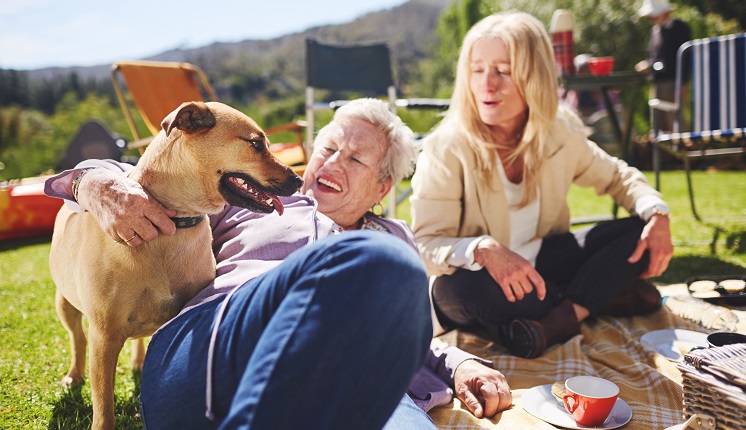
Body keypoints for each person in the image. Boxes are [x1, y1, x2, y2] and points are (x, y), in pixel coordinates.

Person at [44, 98, 510, 428]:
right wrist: (90, 182)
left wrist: (459, 365)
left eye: (355, 159)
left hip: (344, 378)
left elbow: (412, 340)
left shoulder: (392, 238)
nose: (331, 164)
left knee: (387, 266)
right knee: (385, 262)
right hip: (212, 354)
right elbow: (162, 168)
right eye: (327, 149)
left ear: (383, 188)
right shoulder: (240, 197)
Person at [410, 12, 674, 360]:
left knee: (640, 230)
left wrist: (657, 213)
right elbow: (425, 245)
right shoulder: (446, 148)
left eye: (503, 71)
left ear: (533, 76)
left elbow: (617, 177)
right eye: (477, 70)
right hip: (477, 280)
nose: (487, 84)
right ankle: (599, 294)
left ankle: (564, 317)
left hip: (540, 262)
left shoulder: (559, 131)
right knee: (466, 289)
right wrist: (482, 248)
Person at [634, 0, 691, 133]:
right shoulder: (655, 31)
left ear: (665, 12)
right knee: (658, 125)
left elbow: (685, 59)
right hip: (657, 82)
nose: (652, 20)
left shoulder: (680, 28)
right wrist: (647, 65)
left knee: (675, 123)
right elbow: (655, 57)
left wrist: (683, 83)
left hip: (673, 83)